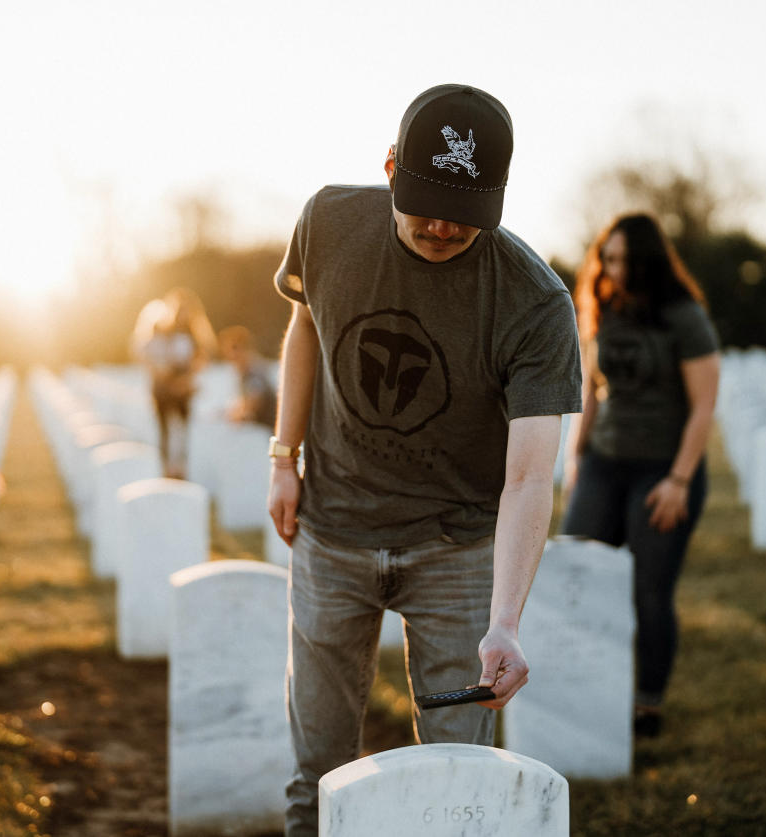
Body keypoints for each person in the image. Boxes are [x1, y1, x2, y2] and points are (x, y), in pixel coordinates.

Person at [267, 84, 582, 836]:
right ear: (388, 168)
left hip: (458, 547)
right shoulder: (329, 222)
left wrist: (504, 620)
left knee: (458, 782)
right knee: (316, 772)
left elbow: (530, 475)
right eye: (425, 202)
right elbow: (304, 324)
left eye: (465, 211)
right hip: (333, 527)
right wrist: (284, 453)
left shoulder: (535, 303)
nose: (442, 226)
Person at [560, 212, 720, 738]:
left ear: (649, 260)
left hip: (662, 469)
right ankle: (581, 687)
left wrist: (677, 481)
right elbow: (593, 390)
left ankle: (647, 702)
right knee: (575, 574)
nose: (615, 269)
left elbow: (703, 406)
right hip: (606, 463)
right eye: (608, 258)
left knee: (649, 592)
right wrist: (577, 454)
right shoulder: (603, 308)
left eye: (625, 259)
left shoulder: (682, 314)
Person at [132, 287, 217, 479]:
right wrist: (164, 376)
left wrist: (185, 381)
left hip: (184, 389)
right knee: (164, 431)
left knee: (185, 432)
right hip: (162, 389)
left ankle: (183, 471)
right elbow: (146, 355)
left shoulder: (194, 335)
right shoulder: (159, 330)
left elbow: (202, 359)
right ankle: (165, 471)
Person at [218, 324, 277, 429]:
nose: (229, 354)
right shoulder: (243, 372)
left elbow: (253, 404)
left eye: (234, 348)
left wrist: (234, 415)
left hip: (266, 433)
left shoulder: (255, 371)